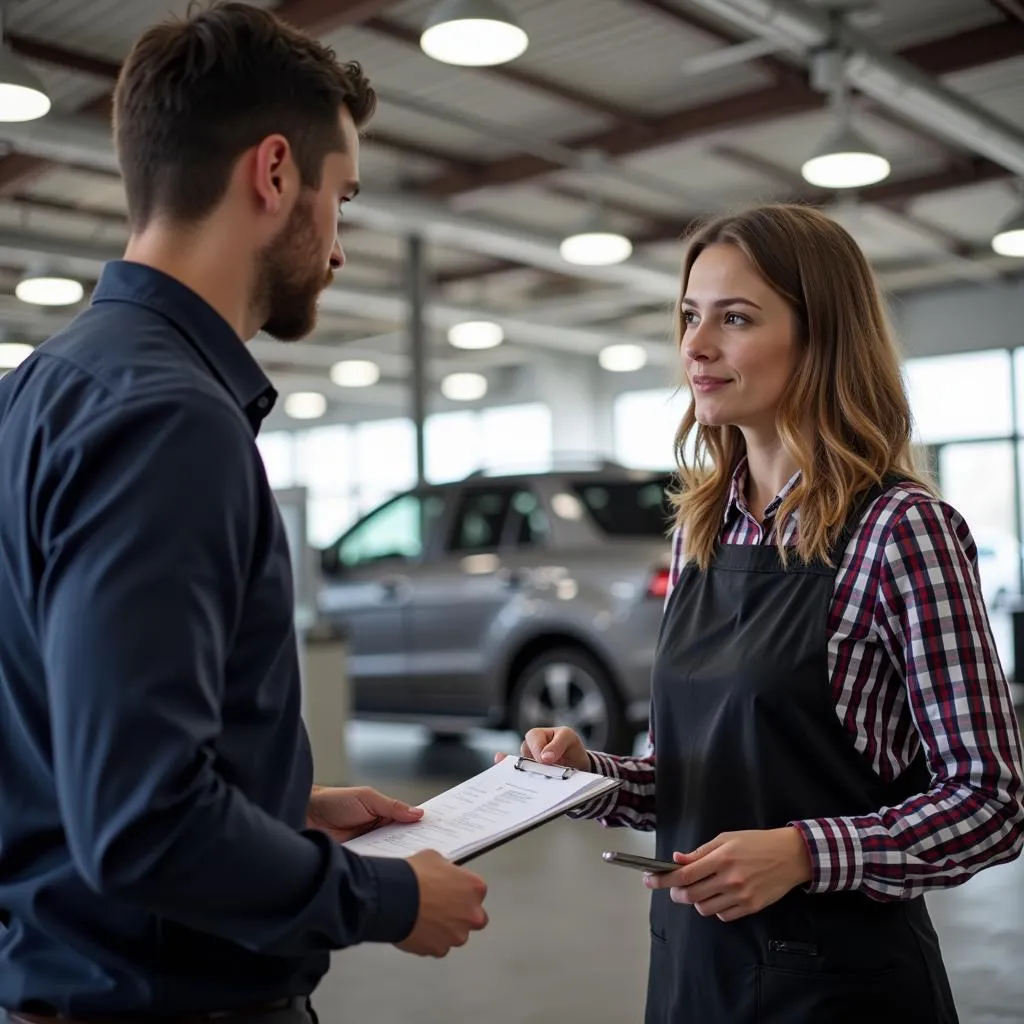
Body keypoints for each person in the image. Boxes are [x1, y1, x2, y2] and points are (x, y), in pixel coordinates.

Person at [0, 4, 488, 1021]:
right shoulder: (169, 421)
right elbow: (140, 822)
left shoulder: (43, 389)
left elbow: (60, 743)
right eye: (340, 198)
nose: (340, 247)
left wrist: (279, 810)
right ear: (274, 173)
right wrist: (387, 897)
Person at [510, 204, 1024, 1023]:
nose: (696, 346)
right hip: (693, 975)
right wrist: (591, 778)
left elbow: (991, 802)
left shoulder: (901, 531)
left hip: (839, 990)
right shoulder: (699, 532)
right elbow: (695, 777)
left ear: (821, 338)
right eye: (689, 316)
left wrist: (804, 854)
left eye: (735, 318)